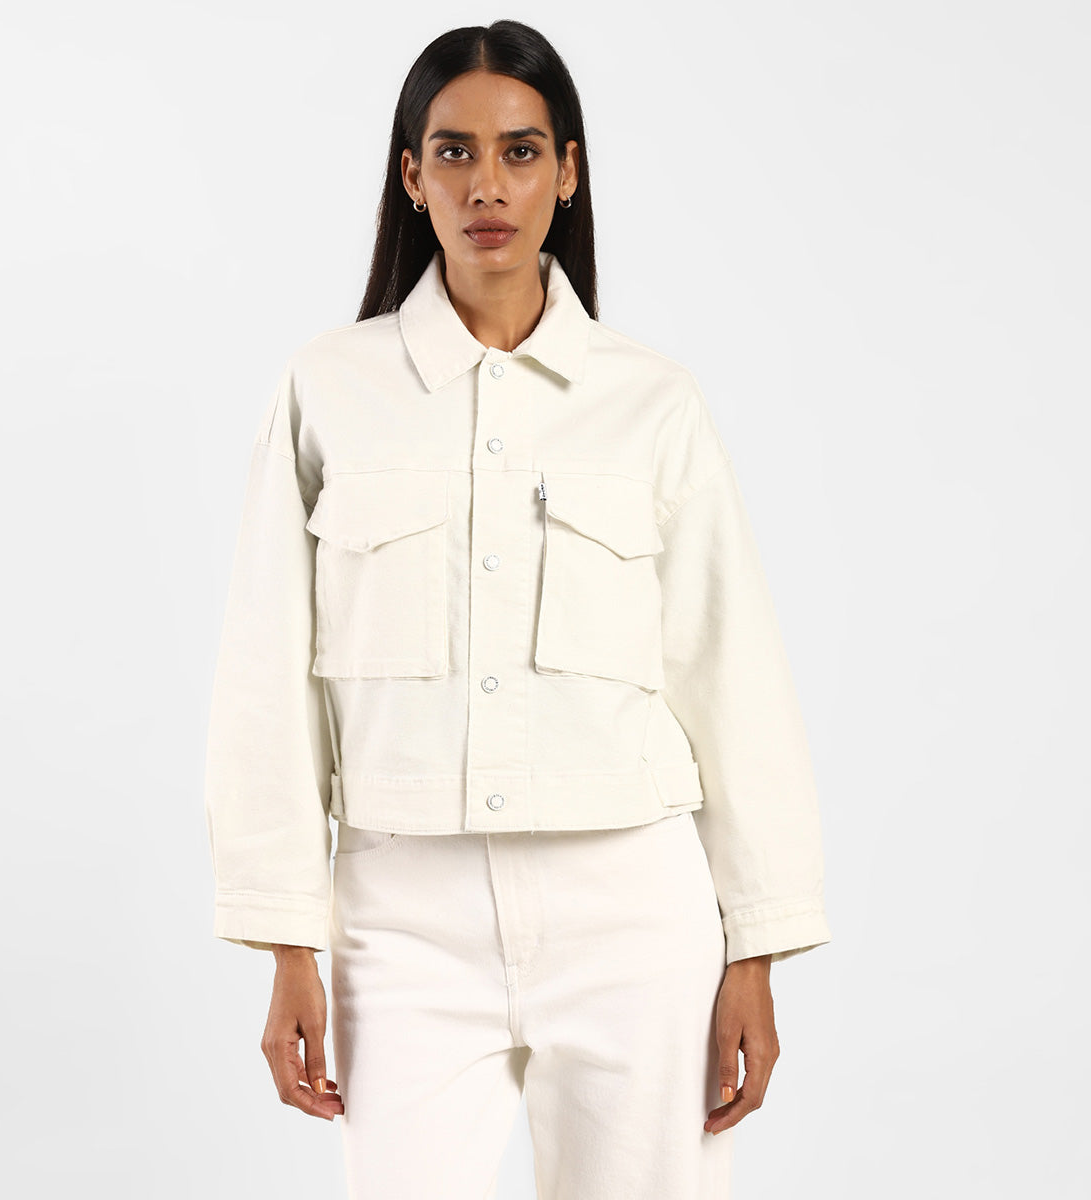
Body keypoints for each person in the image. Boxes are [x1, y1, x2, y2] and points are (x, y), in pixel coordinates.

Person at [203, 18, 832, 1200]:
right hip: (401, 916)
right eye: (453, 152)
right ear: (411, 176)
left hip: (633, 911)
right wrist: (288, 941)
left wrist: (755, 947)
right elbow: (264, 675)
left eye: (521, 151)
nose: (486, 185)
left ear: (568, 172)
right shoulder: (327, 390)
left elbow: (729, 670)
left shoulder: (653, 403)